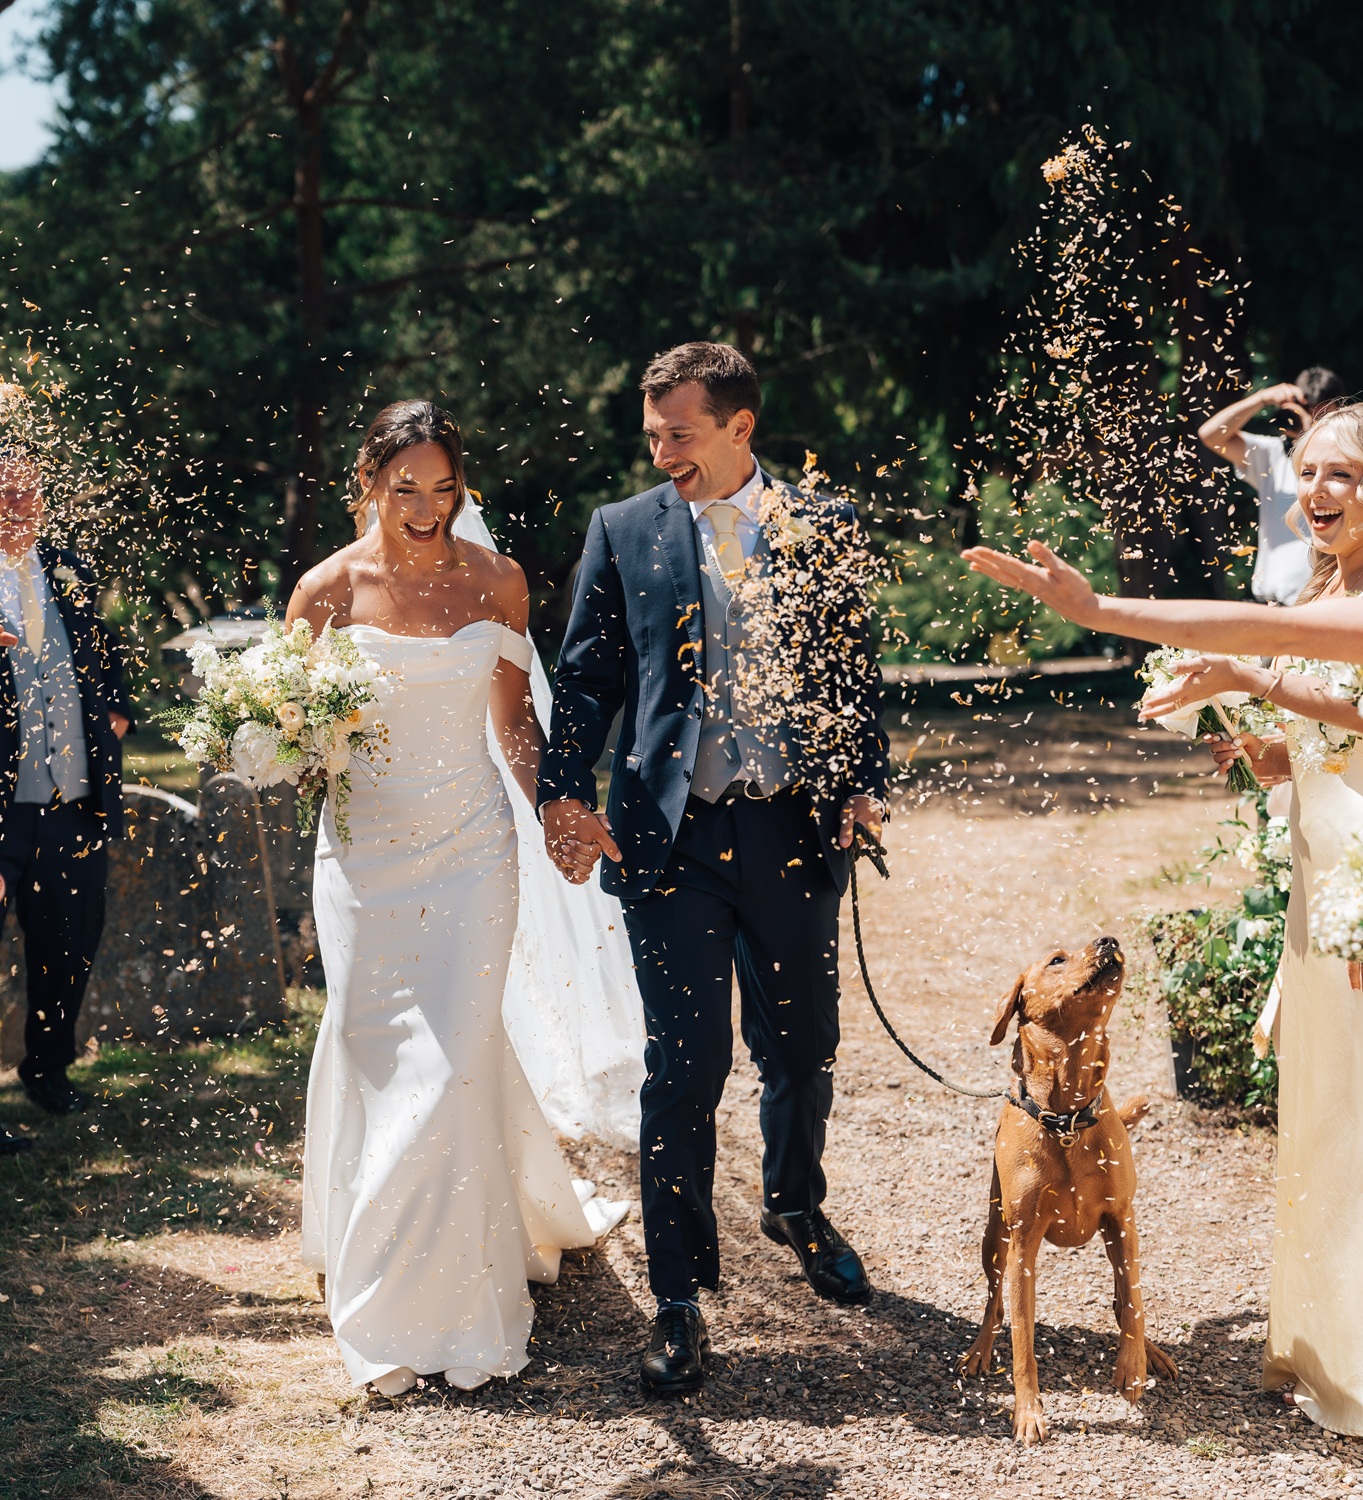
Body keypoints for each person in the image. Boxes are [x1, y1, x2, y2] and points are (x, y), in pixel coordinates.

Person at [967, 402, 1363, 1433]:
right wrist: (1263, 749)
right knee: (1328, 1119)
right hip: (1325, 891)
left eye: (1345, 476)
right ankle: (1331, 1341)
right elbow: (1329, 733)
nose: (1317, 493)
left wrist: (1101, 610)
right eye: (1309, 471)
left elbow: (1260, 638)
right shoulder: (1333, 589)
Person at [538, 342, 889, 1394]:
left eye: (678, 433)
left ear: (740, 426)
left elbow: (854, 676)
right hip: (672, 842)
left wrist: (865, 780)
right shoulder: (624, 530)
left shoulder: (825, 526)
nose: (661, 452)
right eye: (650, 434)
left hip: (794, 832)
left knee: (804, 1049)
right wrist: (562, 791)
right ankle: (680, 1299)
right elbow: (587, 676)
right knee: (683, 1071)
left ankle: (793, 1201)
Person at [286, 400, 626, 1399]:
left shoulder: (498, 582)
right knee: (377, 1053)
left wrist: (557, 815)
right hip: (361, 858)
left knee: (450, 1065)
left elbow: (514, 727)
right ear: (370, 486)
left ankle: (429, 1300)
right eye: (405, 488)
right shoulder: (324, 590)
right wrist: (285, 743)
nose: (426, 506)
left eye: (443, 488)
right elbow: (288, 722)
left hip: (473, 851)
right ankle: (384, 1270)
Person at [0, 440, 133, 1137]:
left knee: (69, 943)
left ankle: (47, 1069)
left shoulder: (69, 569)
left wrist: (118, 708)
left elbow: (107, 658)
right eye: (4, 491)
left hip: (73, 800)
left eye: (29, 491)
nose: (17, 505)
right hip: (2, 809)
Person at [1198, 368, 1347, 605]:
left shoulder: (1350, 465)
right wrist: (1261, 399)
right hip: (1270, 605)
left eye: (1322, 416)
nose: (1311, 423)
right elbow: (1210, 435)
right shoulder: (1272, 455)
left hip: (1321, 605)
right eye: (1305, 414)